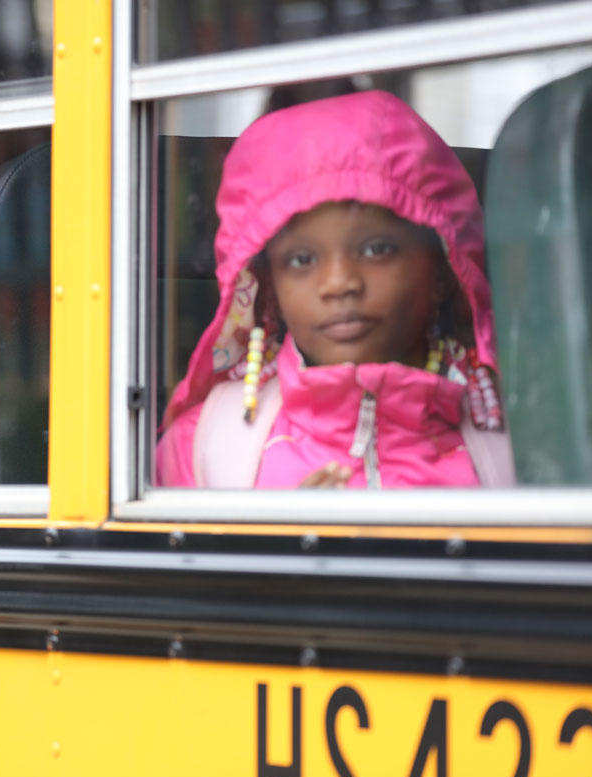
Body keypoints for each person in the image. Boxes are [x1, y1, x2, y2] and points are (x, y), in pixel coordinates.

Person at [156, 90, 515, 489]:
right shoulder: (204, 447)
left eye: (377, 250)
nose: (339, 283)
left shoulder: (512, 444)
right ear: (268, 286)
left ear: (445, 270)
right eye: (301, 260)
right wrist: (277, 549)